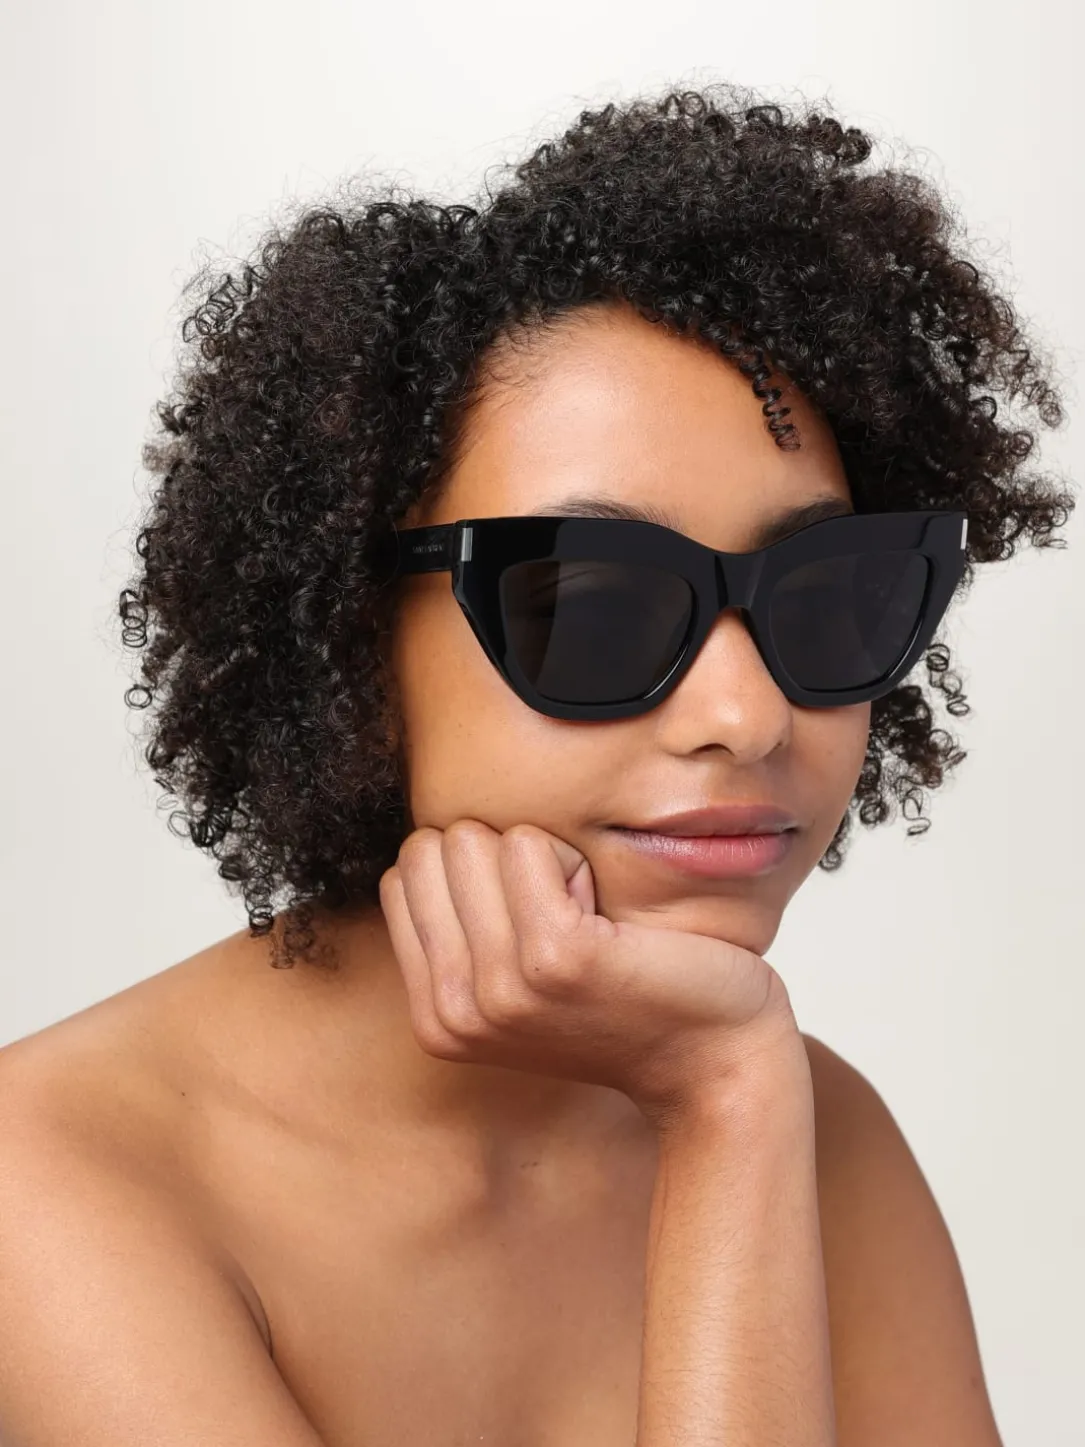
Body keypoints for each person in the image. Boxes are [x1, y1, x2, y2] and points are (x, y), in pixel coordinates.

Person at [0, 82, 1073, 1447]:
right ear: (347, 637)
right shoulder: (46, 1180)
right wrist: (731, 1097)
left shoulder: (820, 1134)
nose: (747, 714)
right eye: (594, 604)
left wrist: (735, 1106)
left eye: (825, 595)